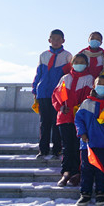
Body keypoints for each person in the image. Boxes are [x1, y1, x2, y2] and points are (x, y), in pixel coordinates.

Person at [75, 75, 104, 206]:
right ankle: (85, 193)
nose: (102, 86)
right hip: (87, 143)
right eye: (99, 83)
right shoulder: (86, 103)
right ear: (94, 86)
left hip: (103, 143)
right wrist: (82, 133)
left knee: (101, 169)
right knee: (86, 169)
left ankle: (101, 192)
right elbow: (78, 120)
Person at [52, 53, 95, 187]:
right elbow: (56, 95)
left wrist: (80, 108)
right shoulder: (65, 78)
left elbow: (89, 97)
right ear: (72, 63)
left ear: (86, 64)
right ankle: (65, 172)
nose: (79, 64)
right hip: (64, 117)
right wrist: (60, 107)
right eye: (76, 62)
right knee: (66, 146)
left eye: (82, 62)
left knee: (78, 146)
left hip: (80, 119)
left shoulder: (89, 78)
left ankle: (77, 172)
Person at [33, 29, 72, 159]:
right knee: (44, 122)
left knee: (57, 122)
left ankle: (57, 149)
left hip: (58, 94)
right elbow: (38, 74)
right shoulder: (43, 55)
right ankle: (43, 149)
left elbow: (69, 75)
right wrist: (35, 89)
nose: (56, 41)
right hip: (43, 92)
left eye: (58, 39)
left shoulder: (67, 56)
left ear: (63, 40)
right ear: (49, 40)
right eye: (53, 39)